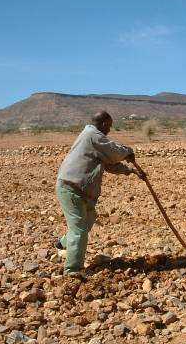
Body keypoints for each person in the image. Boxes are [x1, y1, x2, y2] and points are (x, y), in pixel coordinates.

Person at [55, 111, 144, 280]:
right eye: (109, 126)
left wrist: (129, 171)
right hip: (70, 188)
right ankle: (73, 270)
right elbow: (114, 151)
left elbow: (109, 164)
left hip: (79, 190)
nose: (109, 130)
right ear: (103, 124)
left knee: (87, 220)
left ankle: (63, 244)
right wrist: (128, 152)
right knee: (79, 229)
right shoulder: (92, 135)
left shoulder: (92, 139)